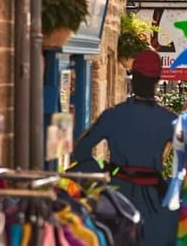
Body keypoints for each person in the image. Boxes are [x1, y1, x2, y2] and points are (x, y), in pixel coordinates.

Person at [71, 50, 178, 246]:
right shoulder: (170, 121)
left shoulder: (113, 116)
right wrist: (171, 186)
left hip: (116, 200)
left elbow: (79, 153)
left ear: (133, 78)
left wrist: (103, 172)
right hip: (155, 206)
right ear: (157, 81)